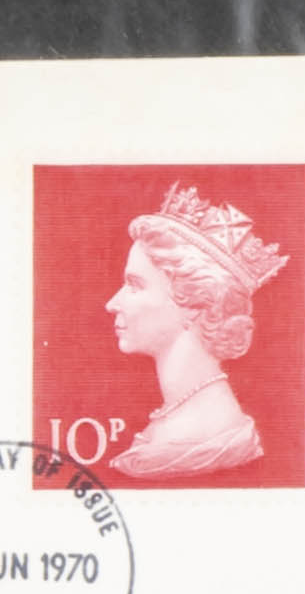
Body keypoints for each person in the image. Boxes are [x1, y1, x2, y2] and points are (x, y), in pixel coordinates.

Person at [98, 184, 293, 481]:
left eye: (135, 285)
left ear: (194, 303)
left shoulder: (214, 432)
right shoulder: (176, 416)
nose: (112, 303)